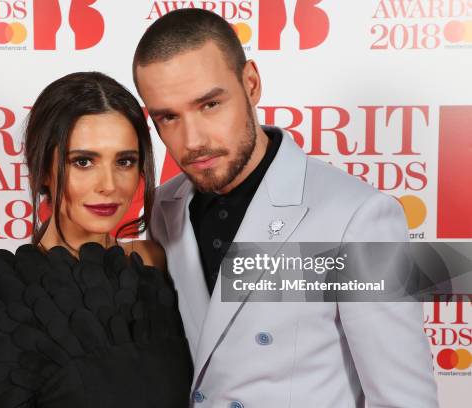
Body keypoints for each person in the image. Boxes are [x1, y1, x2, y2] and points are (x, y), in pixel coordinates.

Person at [133, 9, 438, 408]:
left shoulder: (356, 218)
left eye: (209, 105)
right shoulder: (163, 209)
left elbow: (404, 400)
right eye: (168, 117)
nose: (193, 141)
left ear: (251, 83)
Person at [0, 72, 193, 407]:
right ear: (43, 167)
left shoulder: (162, 264)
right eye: (84, 161)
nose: (109, 184)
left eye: (124, 161)